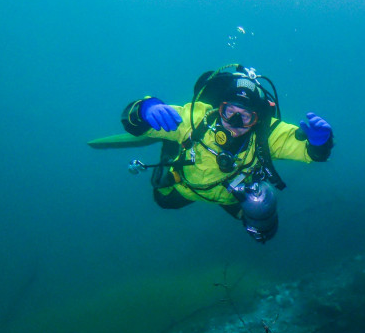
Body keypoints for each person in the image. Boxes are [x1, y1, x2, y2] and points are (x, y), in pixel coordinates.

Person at [119, 64, 333, 242]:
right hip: (184, 186)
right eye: (229, 112)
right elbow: (132, 124)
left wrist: (319, 144)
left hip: (228, 194)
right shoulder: (198, 118)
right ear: (219, 108)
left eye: (245, 117)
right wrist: (145, 109)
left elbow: (310, 152)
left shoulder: (268, 135)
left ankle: (173, 145)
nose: (235, 123)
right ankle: (170, 146)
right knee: (163, 201)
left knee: (262, 218)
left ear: (257, 119)